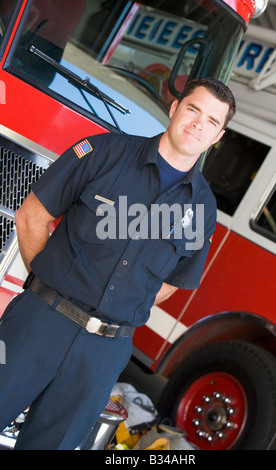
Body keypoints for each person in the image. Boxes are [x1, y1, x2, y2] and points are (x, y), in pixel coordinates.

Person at [0, 77, 236, 450]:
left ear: (218, 136)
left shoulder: (203, 209)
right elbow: (31, 217)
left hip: (103, 355)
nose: (198, 124)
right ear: (174, 109)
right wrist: (50, 283)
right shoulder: (102, 152)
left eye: (211, 121)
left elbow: (171, 283)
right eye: (193, 109)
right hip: (37, 322)